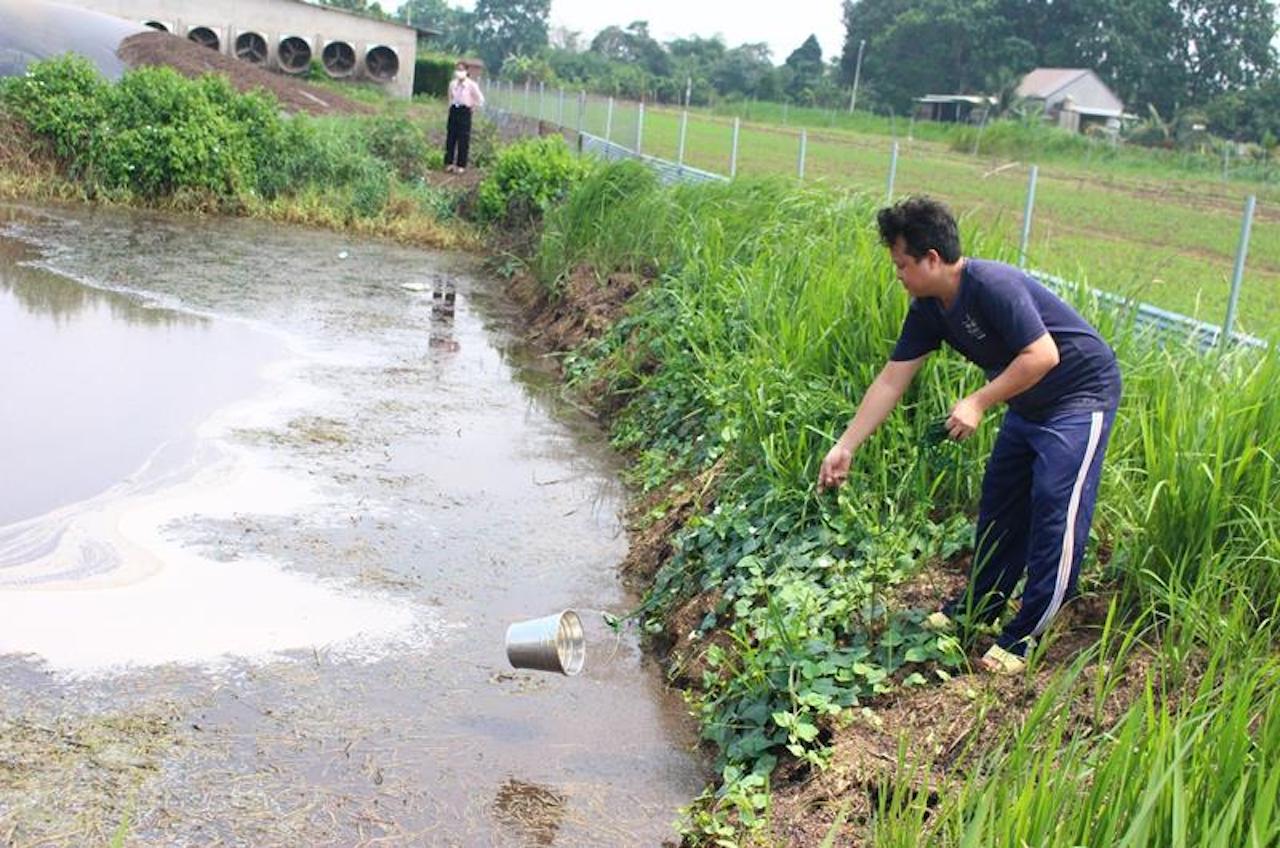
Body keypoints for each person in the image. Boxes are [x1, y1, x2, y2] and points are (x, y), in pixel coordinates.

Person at [817, 196, 1121, 674]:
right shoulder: (929, 308)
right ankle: (977, 609)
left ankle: (1026, 637)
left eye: (901, 263)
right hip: (1027, 400)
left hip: (1079, 397)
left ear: (931, 259)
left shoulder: (992, 285)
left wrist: (978, 402)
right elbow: (892, 379)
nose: (897, 274)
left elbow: (1043, 356)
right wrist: (846, 445)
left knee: (1053, 508)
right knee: (1000, 505)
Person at [445, 61, 484, 173]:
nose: (459, 72)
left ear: (466, 71)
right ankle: (449, 163)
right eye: (457, 69)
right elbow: (450, 97)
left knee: (463, 139)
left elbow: (480, 99)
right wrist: (450, 107)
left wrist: (473, 106)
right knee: (451, 137)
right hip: (454, 110)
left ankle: (461, 165)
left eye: (461, 70)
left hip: (465, 111)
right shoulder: (452, 84)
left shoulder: (471, 85)